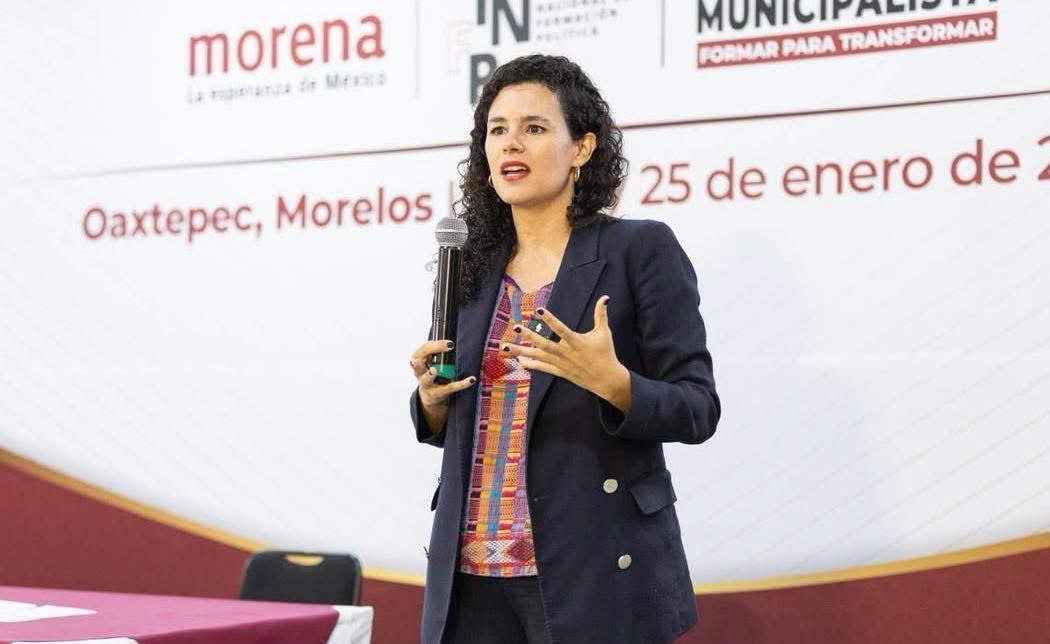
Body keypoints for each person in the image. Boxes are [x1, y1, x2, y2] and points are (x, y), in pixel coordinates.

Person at [408, 54, 720, 644]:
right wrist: (430, 400)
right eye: (497, 130)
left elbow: (698, 407)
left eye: (534, 127)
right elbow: (461, 415)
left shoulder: (639, 250)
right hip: (470, 573)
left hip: (589, 568)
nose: (510, 144)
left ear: (581, 147)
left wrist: (613, 382)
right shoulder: (469, 267)